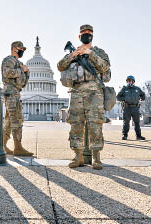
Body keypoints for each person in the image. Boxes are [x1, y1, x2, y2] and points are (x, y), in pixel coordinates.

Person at [57, 24, 111, 170]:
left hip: (94, 93)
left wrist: (90, 54)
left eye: (89, 32)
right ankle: (77, 156)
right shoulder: (73, 52)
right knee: (76, 125)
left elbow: (105, 67)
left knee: (95, 125)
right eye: (83, 33)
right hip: (76, 92)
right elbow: (60, 66)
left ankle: (96, 158)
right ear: (79, 36)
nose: (86, 34)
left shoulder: (99, 52)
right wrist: (73, 55)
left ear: (92, 35)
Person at [1, 41, 34, 156]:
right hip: (10, 92)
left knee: (9, 121)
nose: (23, 51)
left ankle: (3, 145)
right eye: (21, 49)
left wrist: (26, 72)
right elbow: (7, 73)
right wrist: (22, 70)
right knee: (16, 120)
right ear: (14, 49)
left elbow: (23, 83)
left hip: (16, 92)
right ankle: (18, 147)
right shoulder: (9, 60)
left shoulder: (20, 63)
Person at [116, 75, 146, 140]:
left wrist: (141, 98)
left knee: (137, 122)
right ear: (127, 81)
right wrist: (124, 98)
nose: (130, 82)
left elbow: (143, 95)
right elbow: (118, 97)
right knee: (126, 122)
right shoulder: (124, 89)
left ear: (133, 81)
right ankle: (125, 135)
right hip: (127, 108)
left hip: (135, 108)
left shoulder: (137, 89)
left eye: (131, 81)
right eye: (128, 81)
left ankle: (138, 136)